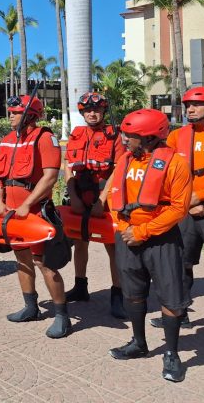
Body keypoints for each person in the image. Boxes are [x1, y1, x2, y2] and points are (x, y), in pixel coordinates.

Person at [108, 109, 191, 383]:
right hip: (127, 237)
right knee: (133, 293)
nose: (124, 139)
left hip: (161, 239)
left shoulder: (176, 164)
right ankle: (139, 343)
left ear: (149, 138)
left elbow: (178, 209)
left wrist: (143, 231)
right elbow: (113, 195)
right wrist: (122, 228)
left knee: (171, 298)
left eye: (130, 135)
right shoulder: (125, 160)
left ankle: (172, 353)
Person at [157, 87, 204, 344]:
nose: (189, 109)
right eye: (187, 104)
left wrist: (201, 196)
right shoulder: (176, 136)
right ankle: (181, 313)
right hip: (184, 209)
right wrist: (187, 203)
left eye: (196, 105)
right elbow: (164, 172)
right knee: (181, 262)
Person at [0, 95, 70, 339]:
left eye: (16, 112)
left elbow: (50, 176)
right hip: (12, 213)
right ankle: (31, 307)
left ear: (31, 115)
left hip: (37, 212)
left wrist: (27, 203)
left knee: (45, 263)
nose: (11, 115)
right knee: (22, 258)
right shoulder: (6, 141)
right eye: (11, 111)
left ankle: (61, 315)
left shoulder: (46, 138)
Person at [64, 92, 126, 319]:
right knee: (80, 243)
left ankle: (118, 296)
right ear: (82, 112)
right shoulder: (77, 134)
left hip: (105, 200)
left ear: (103, 111)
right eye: (88, 110)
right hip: (80, 195)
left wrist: (103, 199)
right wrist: (73, 196)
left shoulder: (114, 135)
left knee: (113, 248)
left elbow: (119, 168)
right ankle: (80, 287)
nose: (92, 113)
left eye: (97, 110)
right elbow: (68, 165)